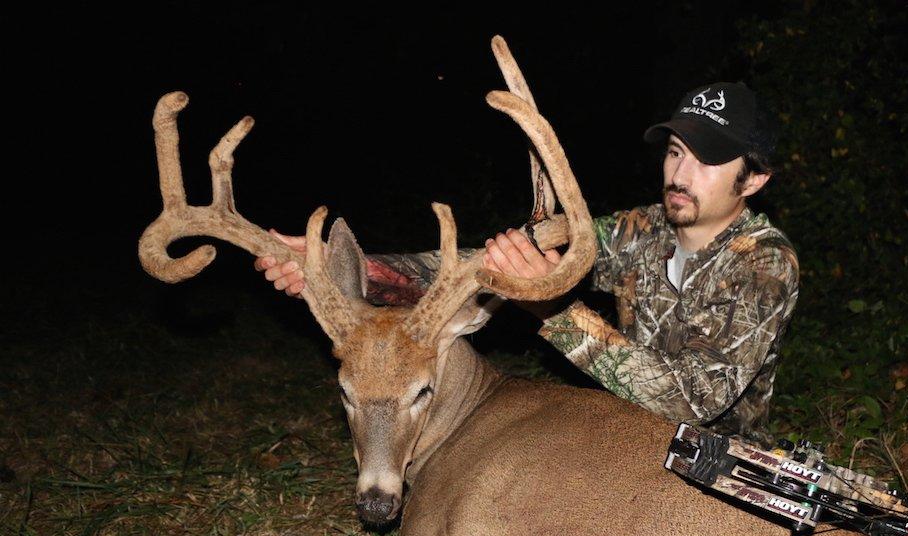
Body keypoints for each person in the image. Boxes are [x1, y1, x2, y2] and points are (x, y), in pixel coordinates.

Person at [256, 82, 798, 444]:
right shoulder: (644, 229)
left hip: (716, 467)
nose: (680, 174)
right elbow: (482, 266)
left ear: (753, 179)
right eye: (676, 151)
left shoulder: (765, 264)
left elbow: (689, 402)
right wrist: (366, 271)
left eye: (707, 160)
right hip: (624, 436)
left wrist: (555, 308)